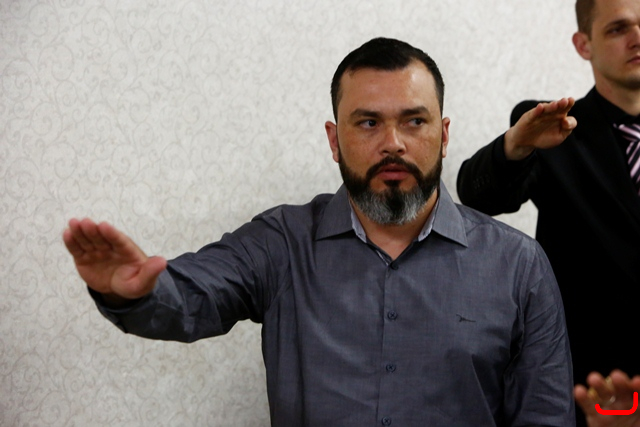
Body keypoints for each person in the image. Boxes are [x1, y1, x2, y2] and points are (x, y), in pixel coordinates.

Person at [64, 37, 574, 426]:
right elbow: (194, 293)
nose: (392, 143)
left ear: (443, 135)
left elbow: (546, 415)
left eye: (414, 122)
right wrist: (133, 291)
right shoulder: (281, 242)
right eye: (368, 123)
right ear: (334, 140)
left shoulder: (518, 265)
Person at [456, 0, 640, 425]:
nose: (637, 38)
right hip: (593, 390)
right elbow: (478, 196)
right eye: (618, 28)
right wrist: (515, 146)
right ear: (583, 44)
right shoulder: (555, 128)